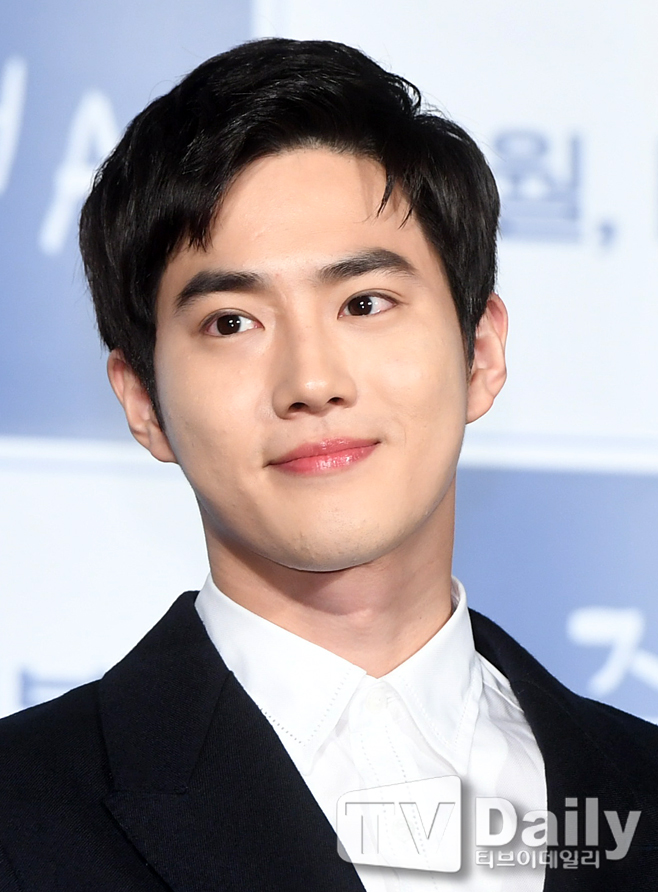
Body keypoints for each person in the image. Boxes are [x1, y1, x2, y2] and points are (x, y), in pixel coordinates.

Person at [0, 37, 656, 891]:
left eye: (365, 302)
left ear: (482, 353)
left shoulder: (636, 787)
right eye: (231, 323)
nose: (311, 382)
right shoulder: (21, 814)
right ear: (142, 402)